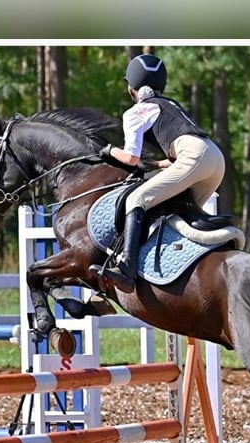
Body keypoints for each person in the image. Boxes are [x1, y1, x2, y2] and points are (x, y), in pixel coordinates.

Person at [92, 53, 227, 293]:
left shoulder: (136, 112)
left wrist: (109, 150)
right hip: (215, 158)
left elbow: (131, 158)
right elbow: (176, 154)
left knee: (136, 199)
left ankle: (127, 268)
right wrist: (155, 165)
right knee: (181, 215)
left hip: (193, 157)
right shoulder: (171, 105)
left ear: (132, 88)